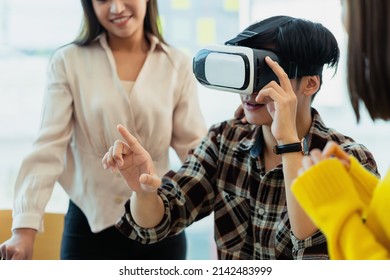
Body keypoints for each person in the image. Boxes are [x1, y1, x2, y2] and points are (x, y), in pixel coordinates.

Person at [102, 15, 380, 260]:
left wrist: (288, 143)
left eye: (265, 72)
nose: (249, 90)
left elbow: (311, 253)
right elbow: (159, 222)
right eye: (244, 70)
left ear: (310, 83)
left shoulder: (348, 160)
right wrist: (143, 190)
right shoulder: (225, 139)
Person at [0, 0, 207, 260]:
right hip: (89, 227)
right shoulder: (68, 61)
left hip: (161, 223)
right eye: (103, 0)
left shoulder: (176, 63)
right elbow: (48, 148)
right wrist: (24, 230)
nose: (116, 8)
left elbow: (197, 150)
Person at [291, 0, 390, 259]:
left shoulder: (353, 150)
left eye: (345, 6)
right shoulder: (226, 135)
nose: (346, 23)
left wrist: (337, 209)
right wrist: (360, 185)